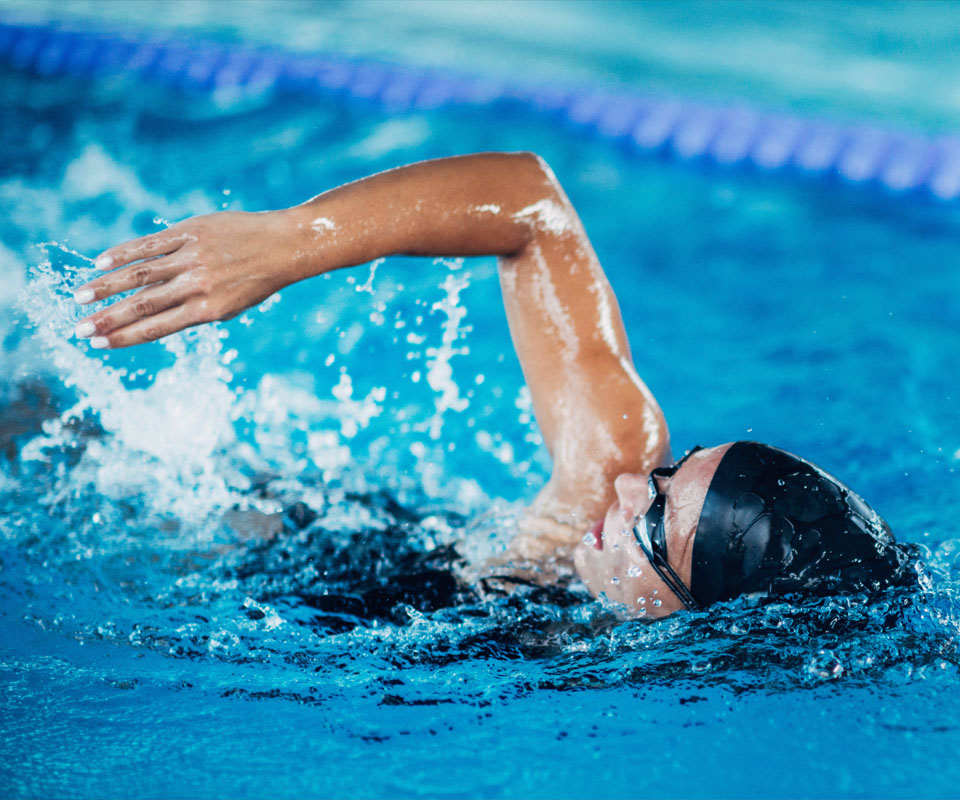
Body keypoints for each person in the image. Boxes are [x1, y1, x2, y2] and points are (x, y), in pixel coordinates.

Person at [70, 152, 913, 618]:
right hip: (272, 531)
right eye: (669, 473)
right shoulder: (604, 480)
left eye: (655, 522)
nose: (626, 484)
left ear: (696, 617)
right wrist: (289, 244)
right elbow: (528, 202)